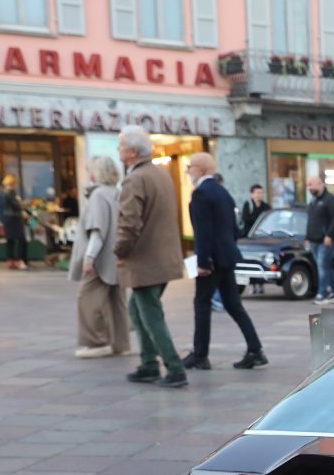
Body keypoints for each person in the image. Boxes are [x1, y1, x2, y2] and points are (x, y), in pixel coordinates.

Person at [113, 125, 190, 388]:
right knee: (137, 309)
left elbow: (129, 222)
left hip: (145, 260)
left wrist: (119, 249)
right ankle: (148, 364)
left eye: (121, 146)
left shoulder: (135, 179)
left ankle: (174, 368)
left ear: (133, 152)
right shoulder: (160, 173)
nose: (118, 151)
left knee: (150, 315)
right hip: (163, 258)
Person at [182, 152, 266, 372]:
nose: (188, 171)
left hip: (212, 259)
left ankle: (200, 355)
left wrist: (203, 261)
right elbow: (233, 229)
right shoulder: (223, 192)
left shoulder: (201, 193)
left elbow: (203, 232)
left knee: (202, 303)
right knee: (233, 304)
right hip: (227, 257)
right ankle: (255, 350)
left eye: (190, 167)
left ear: (200, 169)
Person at [71, 155, 130, 358]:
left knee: (87, 298)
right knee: (117, 301)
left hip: (101, 258)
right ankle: (121, 343)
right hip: (116, 256)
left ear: (97, 173)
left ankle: (96, 342)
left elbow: (97, 230)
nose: (88, 173)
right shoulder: (117, 193)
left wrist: (89, 258)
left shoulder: (98, 195)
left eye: (90, 170)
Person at [304, 173, 334, 305]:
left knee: (323, 266)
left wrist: (329, 235)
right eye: (308, 185)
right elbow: (311, 221)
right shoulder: (313, 201)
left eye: (311, 185)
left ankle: (323, 293)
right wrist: (308, 237)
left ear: (320, 184)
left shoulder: (330, 200)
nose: (309, 188)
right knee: (325, 266)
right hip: (314, 240)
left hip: (326, 241)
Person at [0, 175, 28, 269]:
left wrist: (1, 220)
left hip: (6, 220)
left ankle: (10, 261)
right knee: (21, 240)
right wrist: (21, 204)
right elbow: (16, 206)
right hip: (15, 219)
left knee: (10, 241)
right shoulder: (11, 193)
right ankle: (20, 261)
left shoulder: (0, 193)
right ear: (13, 183)